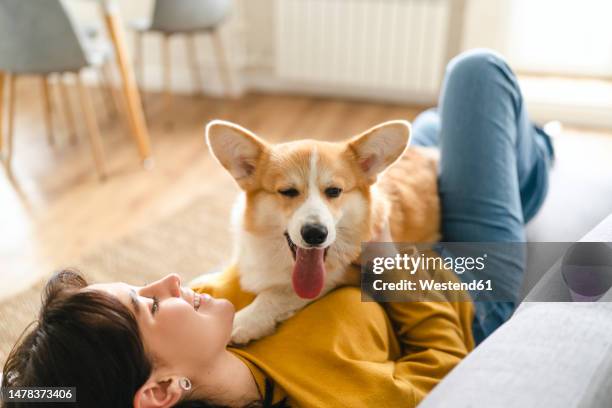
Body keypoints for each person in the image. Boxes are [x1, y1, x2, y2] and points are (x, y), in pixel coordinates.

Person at [1, 49, 553, 407]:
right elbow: (448, 372)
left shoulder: (205, 317)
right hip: (460, 288)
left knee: (435, 127)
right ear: (164, 388)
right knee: (477, 76)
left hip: (395, 233)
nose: (169, 279)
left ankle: (525, 151)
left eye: (140, 286)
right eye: (148, 303)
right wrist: (390, 261)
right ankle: (545, 151)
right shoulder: (316, 393)